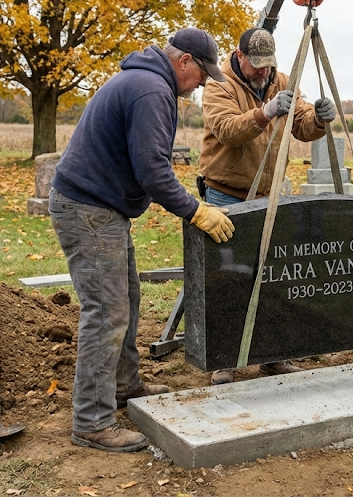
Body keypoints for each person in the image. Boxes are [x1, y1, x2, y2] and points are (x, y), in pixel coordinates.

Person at [49, 28, 235, 453]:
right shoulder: (151, 90)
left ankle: (123, 386)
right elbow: (153, 169)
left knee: (126, 298)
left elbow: (146, 164)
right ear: (183, 61)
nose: (204, 83)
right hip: (89, 208)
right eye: (202, 73)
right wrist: (196, 210)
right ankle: (91, 423)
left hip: (102, 207)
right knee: (108, 311)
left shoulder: (146, 82)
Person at [199, 26, 338, 385]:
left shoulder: (281, 79)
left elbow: (302, 124)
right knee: (228, 278)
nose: (264, 72)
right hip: (226, 193)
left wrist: (319, 118)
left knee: (274, 275)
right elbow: (228, 129)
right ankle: (225, 358)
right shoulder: (219, 85)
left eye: (268, 66)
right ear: (240, 56)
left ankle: (273, 355)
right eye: (256, 65)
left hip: (269, 194)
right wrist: (265, 112)